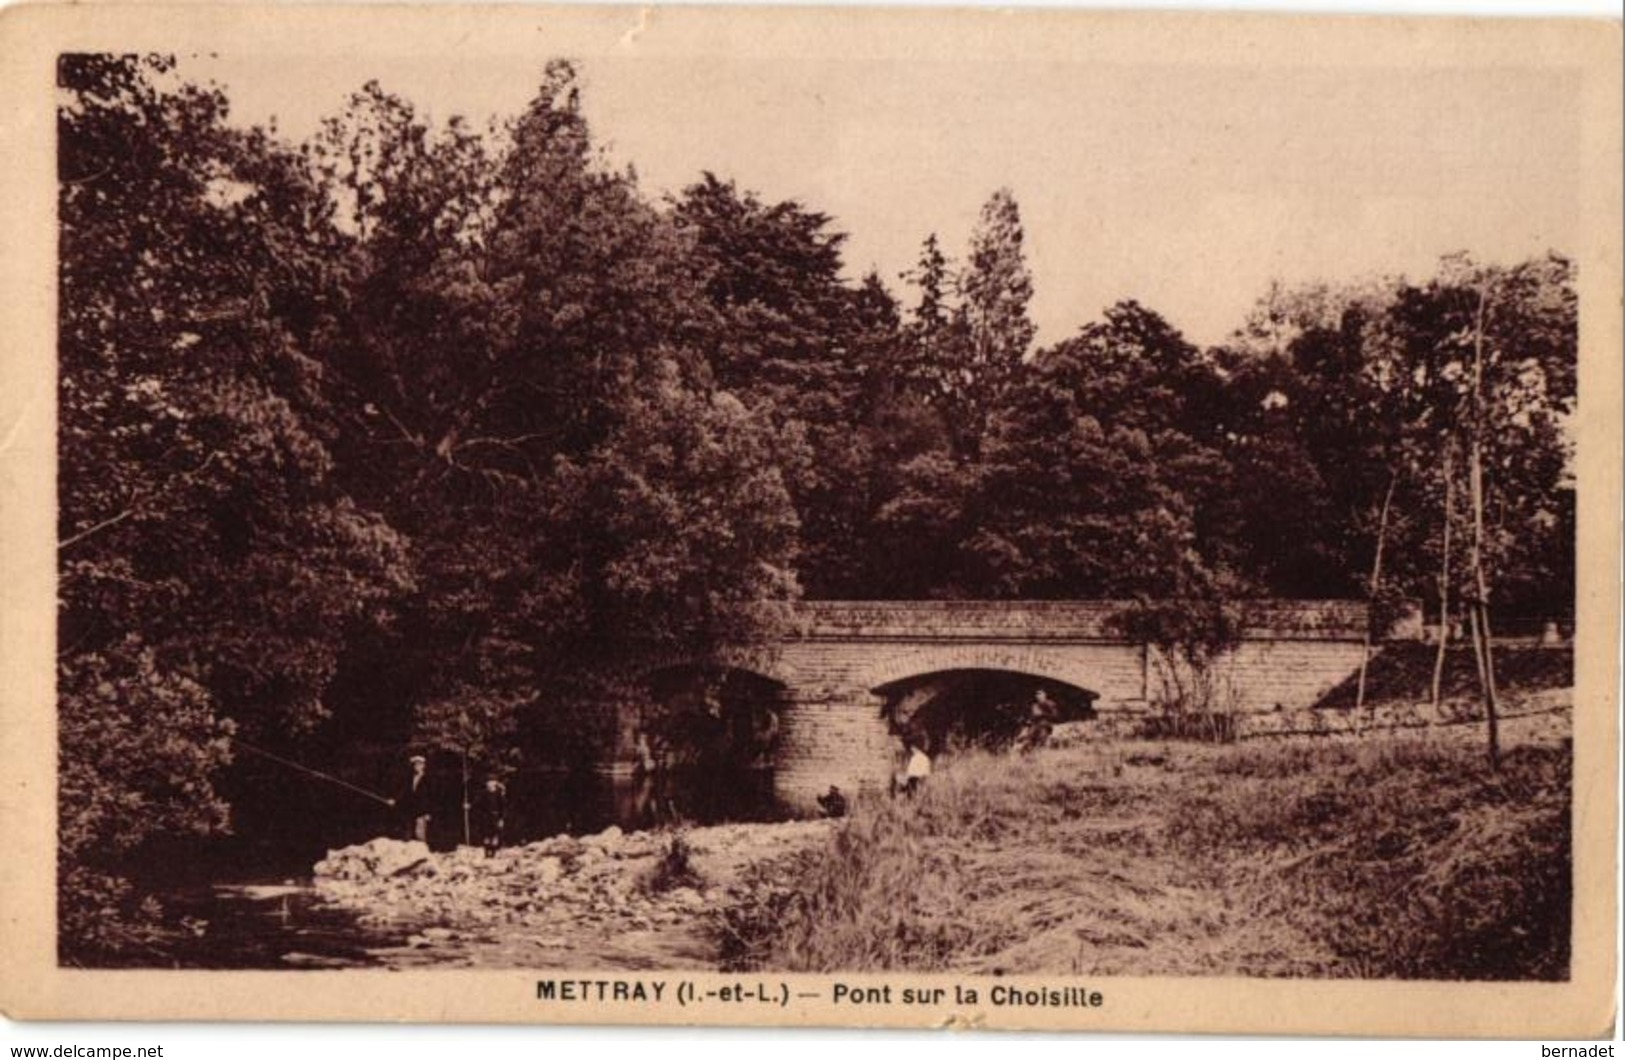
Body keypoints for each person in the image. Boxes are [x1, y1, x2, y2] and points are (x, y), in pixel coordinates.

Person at [390, 753, 433, 844]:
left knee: (420, 835)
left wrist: (429, 812)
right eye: (415, 764)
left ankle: (423, 854)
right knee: (407, 835)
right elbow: (403, 792)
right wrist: (394, 800)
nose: (417, 766)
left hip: (422, 811)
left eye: (420, 764)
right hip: (410, 810)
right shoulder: (410, 778)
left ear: (424, 766)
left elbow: (432, 796)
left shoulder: (429, 779)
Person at [476, 776, 507, 858]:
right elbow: (477, 803)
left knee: (495, 835)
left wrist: (501, 819)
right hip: (485, 817)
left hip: (496, 816)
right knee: (486, 835)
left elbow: (503, 807)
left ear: (495, 783)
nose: (490, 783)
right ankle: (486, 852)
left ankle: (493, 852)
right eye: (488, 782)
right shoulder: (483, 793)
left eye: (492, 781)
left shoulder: (499, 794)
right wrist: (468, 806)